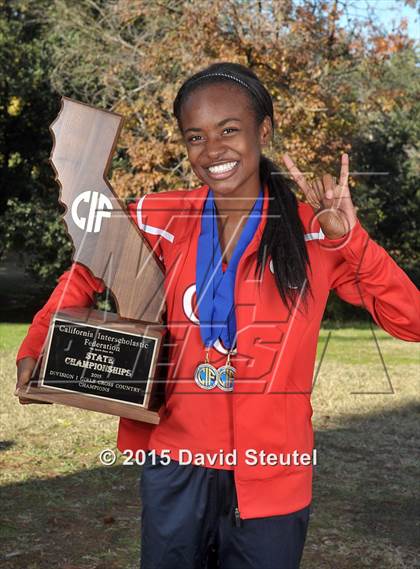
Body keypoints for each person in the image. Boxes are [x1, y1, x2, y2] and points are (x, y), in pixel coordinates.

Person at [16, 62, 420, 569]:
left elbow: (411, 319)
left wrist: (350, 242)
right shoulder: (163, 216)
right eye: (195, 137)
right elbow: (86, 269)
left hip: (273, 471)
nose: (213, 151)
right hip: (175, 461)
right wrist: (37, 349)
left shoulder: (316, 230)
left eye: (229, 130)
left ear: (263, 130)